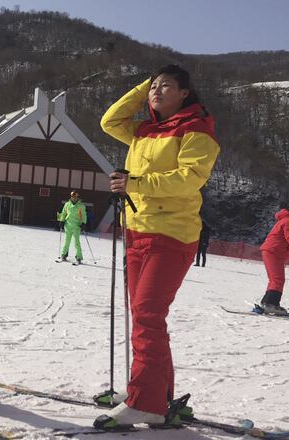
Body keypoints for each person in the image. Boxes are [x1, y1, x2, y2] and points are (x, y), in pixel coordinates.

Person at [96, 64, 220, 429]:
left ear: (185, 93)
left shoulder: (196, 130)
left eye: (165, 86)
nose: (156, 91)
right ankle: (156, 395)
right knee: (147, 319)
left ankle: (147, 401)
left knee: (148, 317)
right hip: (138, 231)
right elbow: (109, 121)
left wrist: (135, 184)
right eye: (153, 87)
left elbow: (189, 179)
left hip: (172, 234)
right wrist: (142, 89)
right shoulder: (144, 130)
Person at [258, 200, 289, 316]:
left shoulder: (288, 219)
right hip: (274, 252)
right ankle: (271, 304)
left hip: (274, 252)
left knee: (275, 279)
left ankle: (267, 303)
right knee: (278, 279)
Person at [58, 191, 87, 264]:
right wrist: (62, 221)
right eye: (72, 197)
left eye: (75, 197)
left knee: (76, 242)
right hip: (68, 225)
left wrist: (83, 223)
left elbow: (83, 215)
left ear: (77, 197)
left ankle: (78, 257)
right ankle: (63, 255)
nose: (74, 198)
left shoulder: (81, 206)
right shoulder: (67, 204)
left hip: (76, 226)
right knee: (66, 241)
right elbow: (64, 213)